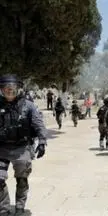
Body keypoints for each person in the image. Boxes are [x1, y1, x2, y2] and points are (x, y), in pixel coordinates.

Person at [0, 74, 47, 216]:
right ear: (1, 90)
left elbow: (38, 124)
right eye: (6, 89)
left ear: (19, 89)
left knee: (21, 179)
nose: (9, 92)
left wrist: (42, 142)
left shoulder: (28, 105)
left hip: (22, 148)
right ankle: (4, 209)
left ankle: (20, 207)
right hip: (1, 148)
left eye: (12, 89)